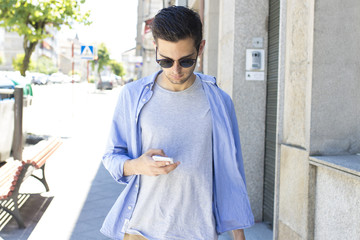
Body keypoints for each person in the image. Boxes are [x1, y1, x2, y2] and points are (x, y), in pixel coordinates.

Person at [101, 5, 254, 240]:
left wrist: (239, 236)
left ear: (200, 48)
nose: (175, 70)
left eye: (185, 61)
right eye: (165, 61)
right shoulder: (132, 95)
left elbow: (232, 174)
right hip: (141, 231)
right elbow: (112, 156)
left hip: (199, 232)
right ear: (156, 48)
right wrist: (137, 166)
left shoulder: (220, 102)